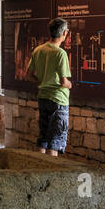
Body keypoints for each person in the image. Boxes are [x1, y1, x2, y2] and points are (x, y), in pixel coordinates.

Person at [28, 17, 72, 156]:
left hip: (43, 97)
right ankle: (52, 175)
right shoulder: (60, 53)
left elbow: (29, 74)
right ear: (64, 33)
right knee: (56, 141)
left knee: (44, 137)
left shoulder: (38, 50)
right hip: (58, 99)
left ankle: (39, 170)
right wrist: (70, 85)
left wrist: (42, 82)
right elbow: (63, 81)